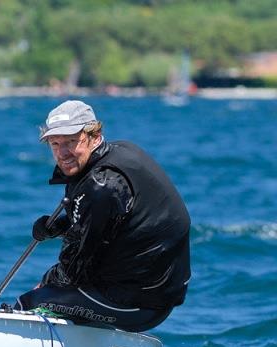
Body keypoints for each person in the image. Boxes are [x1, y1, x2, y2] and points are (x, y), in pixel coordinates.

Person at [13, 100, 191, 332]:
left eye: (71, 142)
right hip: (148, 295)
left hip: (139, 305)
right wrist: (61, 226)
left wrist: (47, 283)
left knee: (28, 303)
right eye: (55, 144)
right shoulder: (119, 153)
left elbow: (76, 268)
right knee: (56, 294)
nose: (63, 153)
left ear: (95, 137)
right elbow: (115, 222)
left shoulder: (102, 184)